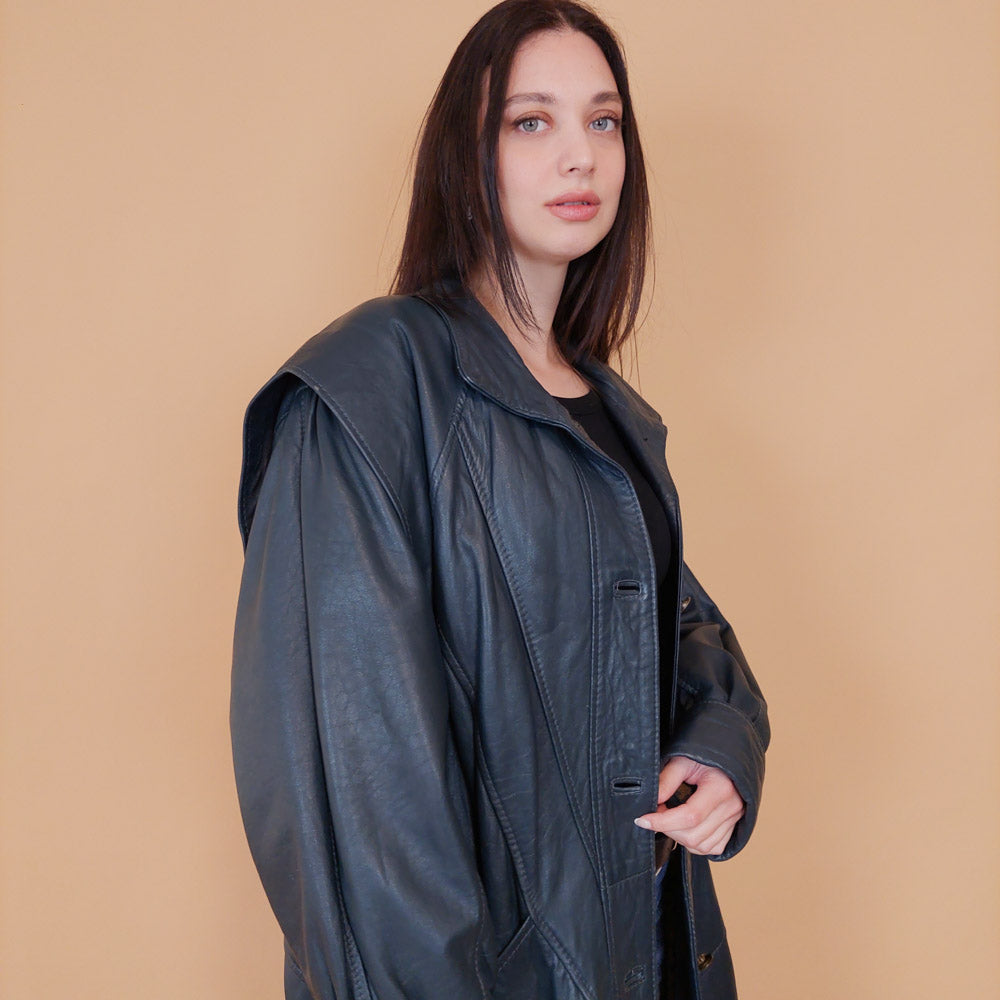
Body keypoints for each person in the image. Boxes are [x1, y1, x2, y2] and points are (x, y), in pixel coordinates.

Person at [230, 2, 769, 999]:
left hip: (645, 956)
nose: (579, 155)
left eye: (603, 121)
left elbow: (665, 618)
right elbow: (355, 794)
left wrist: (722, 742)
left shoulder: (606, 406)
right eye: (531, 121)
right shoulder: (370, 386)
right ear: (463, 154)